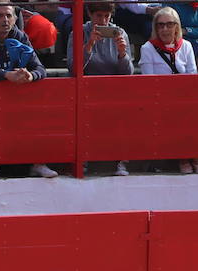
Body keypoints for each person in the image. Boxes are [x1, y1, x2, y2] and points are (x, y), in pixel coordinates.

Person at [0, 3, 55, 181]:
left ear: (16, 19)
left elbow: (40, 68)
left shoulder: (21, 37)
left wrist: (30, 76)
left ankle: (38, 163)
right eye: (0, 16)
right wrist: (6, 75)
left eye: (9, 16)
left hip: (18, 98)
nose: (5, 20)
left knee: (37, 115)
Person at [140, 5, 198, 175]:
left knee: (194, 111)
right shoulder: (147, 48)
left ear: (177, 26)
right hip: (160, 99)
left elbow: (192, 75)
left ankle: (196, 157)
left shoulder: (186, 46)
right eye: (160, 25)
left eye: (169, 24)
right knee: (179, 114)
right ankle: (185, 158)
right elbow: (149, 82)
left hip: (184, 97)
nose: (164, 29)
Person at [70, 0, 132, 177]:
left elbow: (127, 73)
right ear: (89, 14)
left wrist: (122, 54)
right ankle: (82, 160)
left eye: (107, 16)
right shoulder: (79, 32)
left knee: (123, 110)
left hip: (114, 90)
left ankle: (120, 159)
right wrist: (88, 46)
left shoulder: (120, 33)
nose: (104, 21)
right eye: (99, 16)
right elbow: (74, 70)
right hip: (86, 89)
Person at [166, 1, 198, 71]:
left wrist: (188, 31)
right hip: (178, 42)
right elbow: (170, 29)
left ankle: (197, 81)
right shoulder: (173, 3)